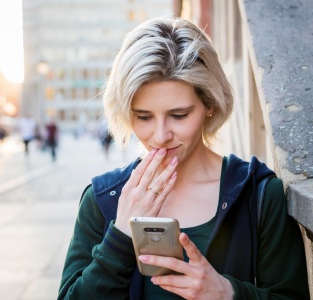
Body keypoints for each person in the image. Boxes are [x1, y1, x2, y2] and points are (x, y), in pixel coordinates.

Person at [58, 17, 309, 299]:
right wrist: (119, 237)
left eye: (179, 115)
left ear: (210, 104)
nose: (160, 135)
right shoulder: (102, 199)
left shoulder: (259, 195)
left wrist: (228, 293)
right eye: (143, 117)